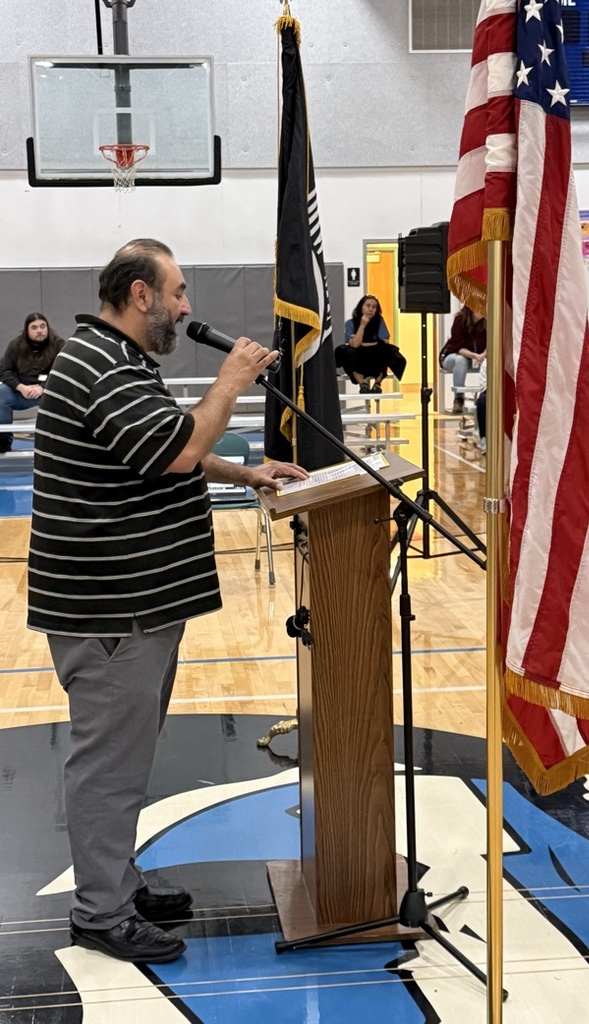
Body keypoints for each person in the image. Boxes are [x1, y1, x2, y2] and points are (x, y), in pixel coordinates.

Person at [26, 239, 308, 965]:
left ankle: (113, 880)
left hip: (135, 602)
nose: (186, 307)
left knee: (125, 753)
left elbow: (159, 444)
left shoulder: (116, 362)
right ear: (140, 295)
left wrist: (244, 473)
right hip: (111, 608)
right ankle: (100, 912)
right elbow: (175, 452)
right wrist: (232, 379)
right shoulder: (100, 364)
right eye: (178, 292)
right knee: (108, 764)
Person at [0, 312, 65, 452]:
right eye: (34, 327)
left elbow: (64, 371)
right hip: (21, 392)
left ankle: (60, 443)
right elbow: (4, 370)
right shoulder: (15, 345)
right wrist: (20, 387)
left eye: (43, 326)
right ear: (27, 330)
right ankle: (3, 442)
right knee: (2, 393)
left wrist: (43, 387)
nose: (40, 330)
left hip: (49, 393)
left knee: (68, 391)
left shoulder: (59, 345)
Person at [335, 294, 405, 393]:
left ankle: (377, 384)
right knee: (348, 352)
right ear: (361, 307)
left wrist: (363, 344)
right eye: (368, 306)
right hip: (358, 355)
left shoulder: (379, 321)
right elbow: (355, 344)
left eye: (374, 307)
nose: (371, 309)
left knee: (384, 350)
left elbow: (384, 342)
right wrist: (362, 325)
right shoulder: (350, 323)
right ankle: (362, 384)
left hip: (375, 355)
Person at [440, 305, 486, 414]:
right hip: (452, 356)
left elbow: (491, 342)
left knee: (490, 362)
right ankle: (458, 399)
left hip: (476, 357)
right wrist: (476, 356)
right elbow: (458, 348)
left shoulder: (487, 322)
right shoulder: (460, 320)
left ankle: (486, 396)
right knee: (461, 360)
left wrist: (484, 355)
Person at [476, 359, 487, 453]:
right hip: (489, 392)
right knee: (482, 402)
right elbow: (484, 385)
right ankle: (484, 437)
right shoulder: (486, 363)